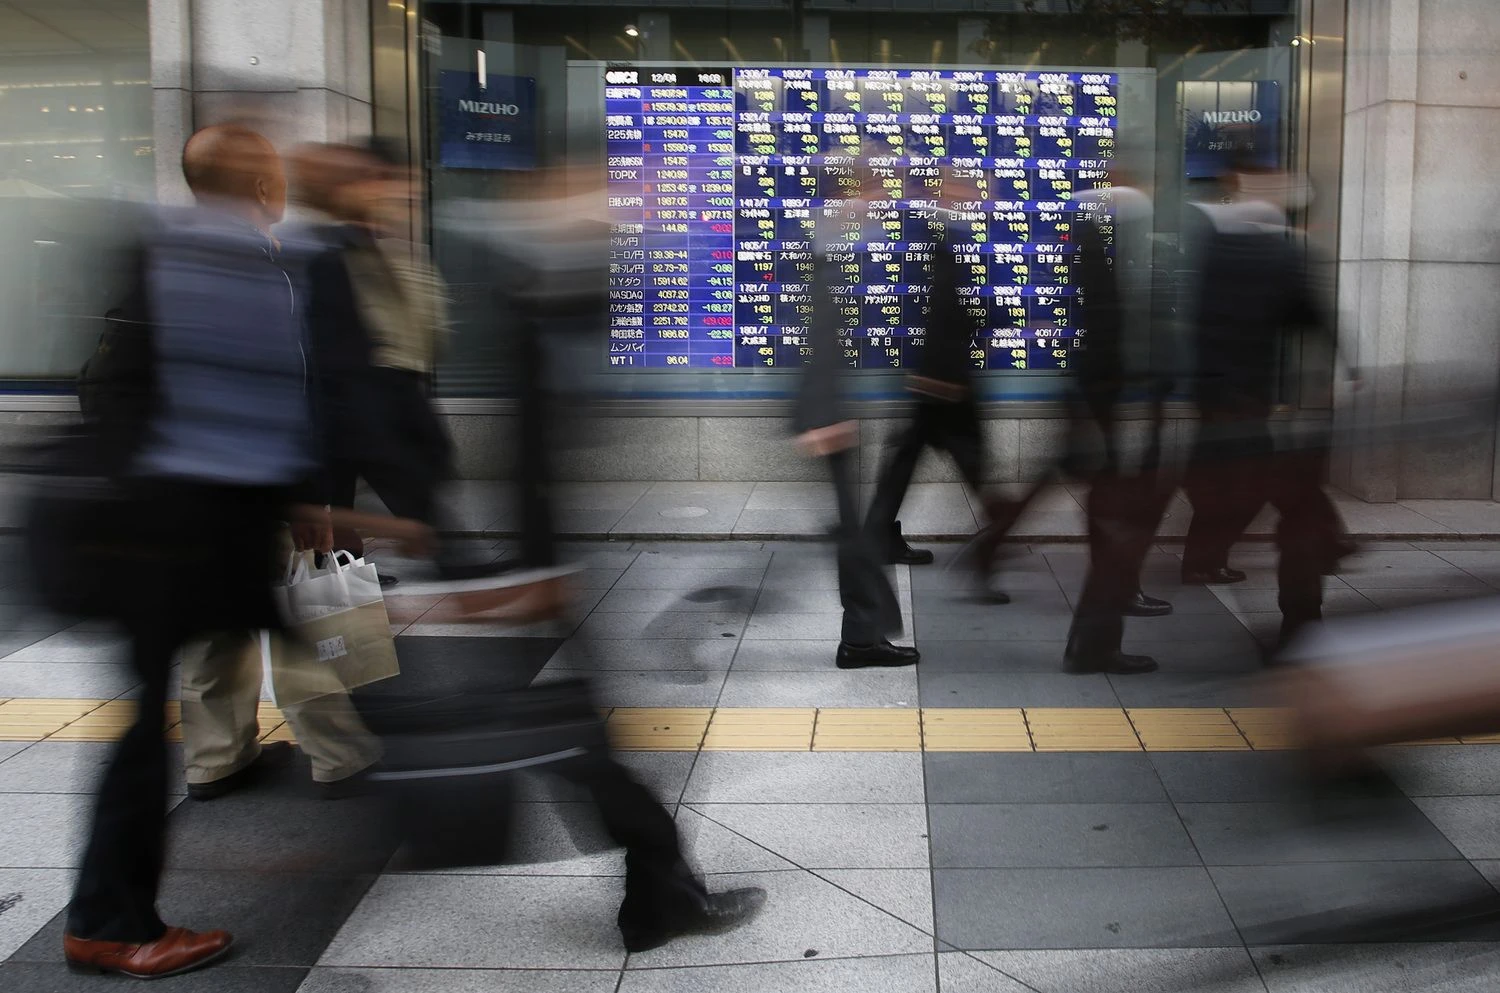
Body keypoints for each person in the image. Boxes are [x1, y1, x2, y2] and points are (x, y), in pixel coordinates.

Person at [63, 124, 323, 979]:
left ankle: (223, 771)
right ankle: (109, 922)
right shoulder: (230, 263)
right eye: (274, 172)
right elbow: (249, 401)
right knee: (145, 736)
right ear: (255, 182)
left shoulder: (167, 250)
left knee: (148, 721)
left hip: (163, 527)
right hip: (177, 531)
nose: (280, 185)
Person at [1180, 168, 1349, 646]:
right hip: (1243, 398)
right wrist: (1335, 368)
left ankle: (1205, 560)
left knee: (1237, 484)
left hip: (1220, 395)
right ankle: (1312, 580)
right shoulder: (1277, 253)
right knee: (1282, 492)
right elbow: (1311, 315)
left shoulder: (1218, 250)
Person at [861, 172, 1011, 599]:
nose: (982, 197)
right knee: (977, 470)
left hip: (935, 377)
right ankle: (989, 557)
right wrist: (939, 375)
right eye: (971, 190)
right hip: (945, 380)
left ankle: (879, 539)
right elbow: (942, 307)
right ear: (951, 193)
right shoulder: (940, 237)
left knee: (903, 462)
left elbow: (951, 305)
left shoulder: (941, 234)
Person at [796, 157, 916, 669]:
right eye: (874, 187)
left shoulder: (835, 237)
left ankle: (862, 635)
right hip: (826, 410)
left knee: (851, 528)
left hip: (828, 407)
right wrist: (823, 412)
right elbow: (818, 331)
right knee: (850, 530)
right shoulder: (832, 241)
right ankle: (861, 638)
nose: (884, 197)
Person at [1061, 178, 1174, 675]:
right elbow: (1112, 333)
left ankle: (1100, 632)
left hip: (1112, 408)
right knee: (1120, 523)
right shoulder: (1103, 259)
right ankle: (1095, 642)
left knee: (1118, 522)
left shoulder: (1100, 256)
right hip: (1113, 409)